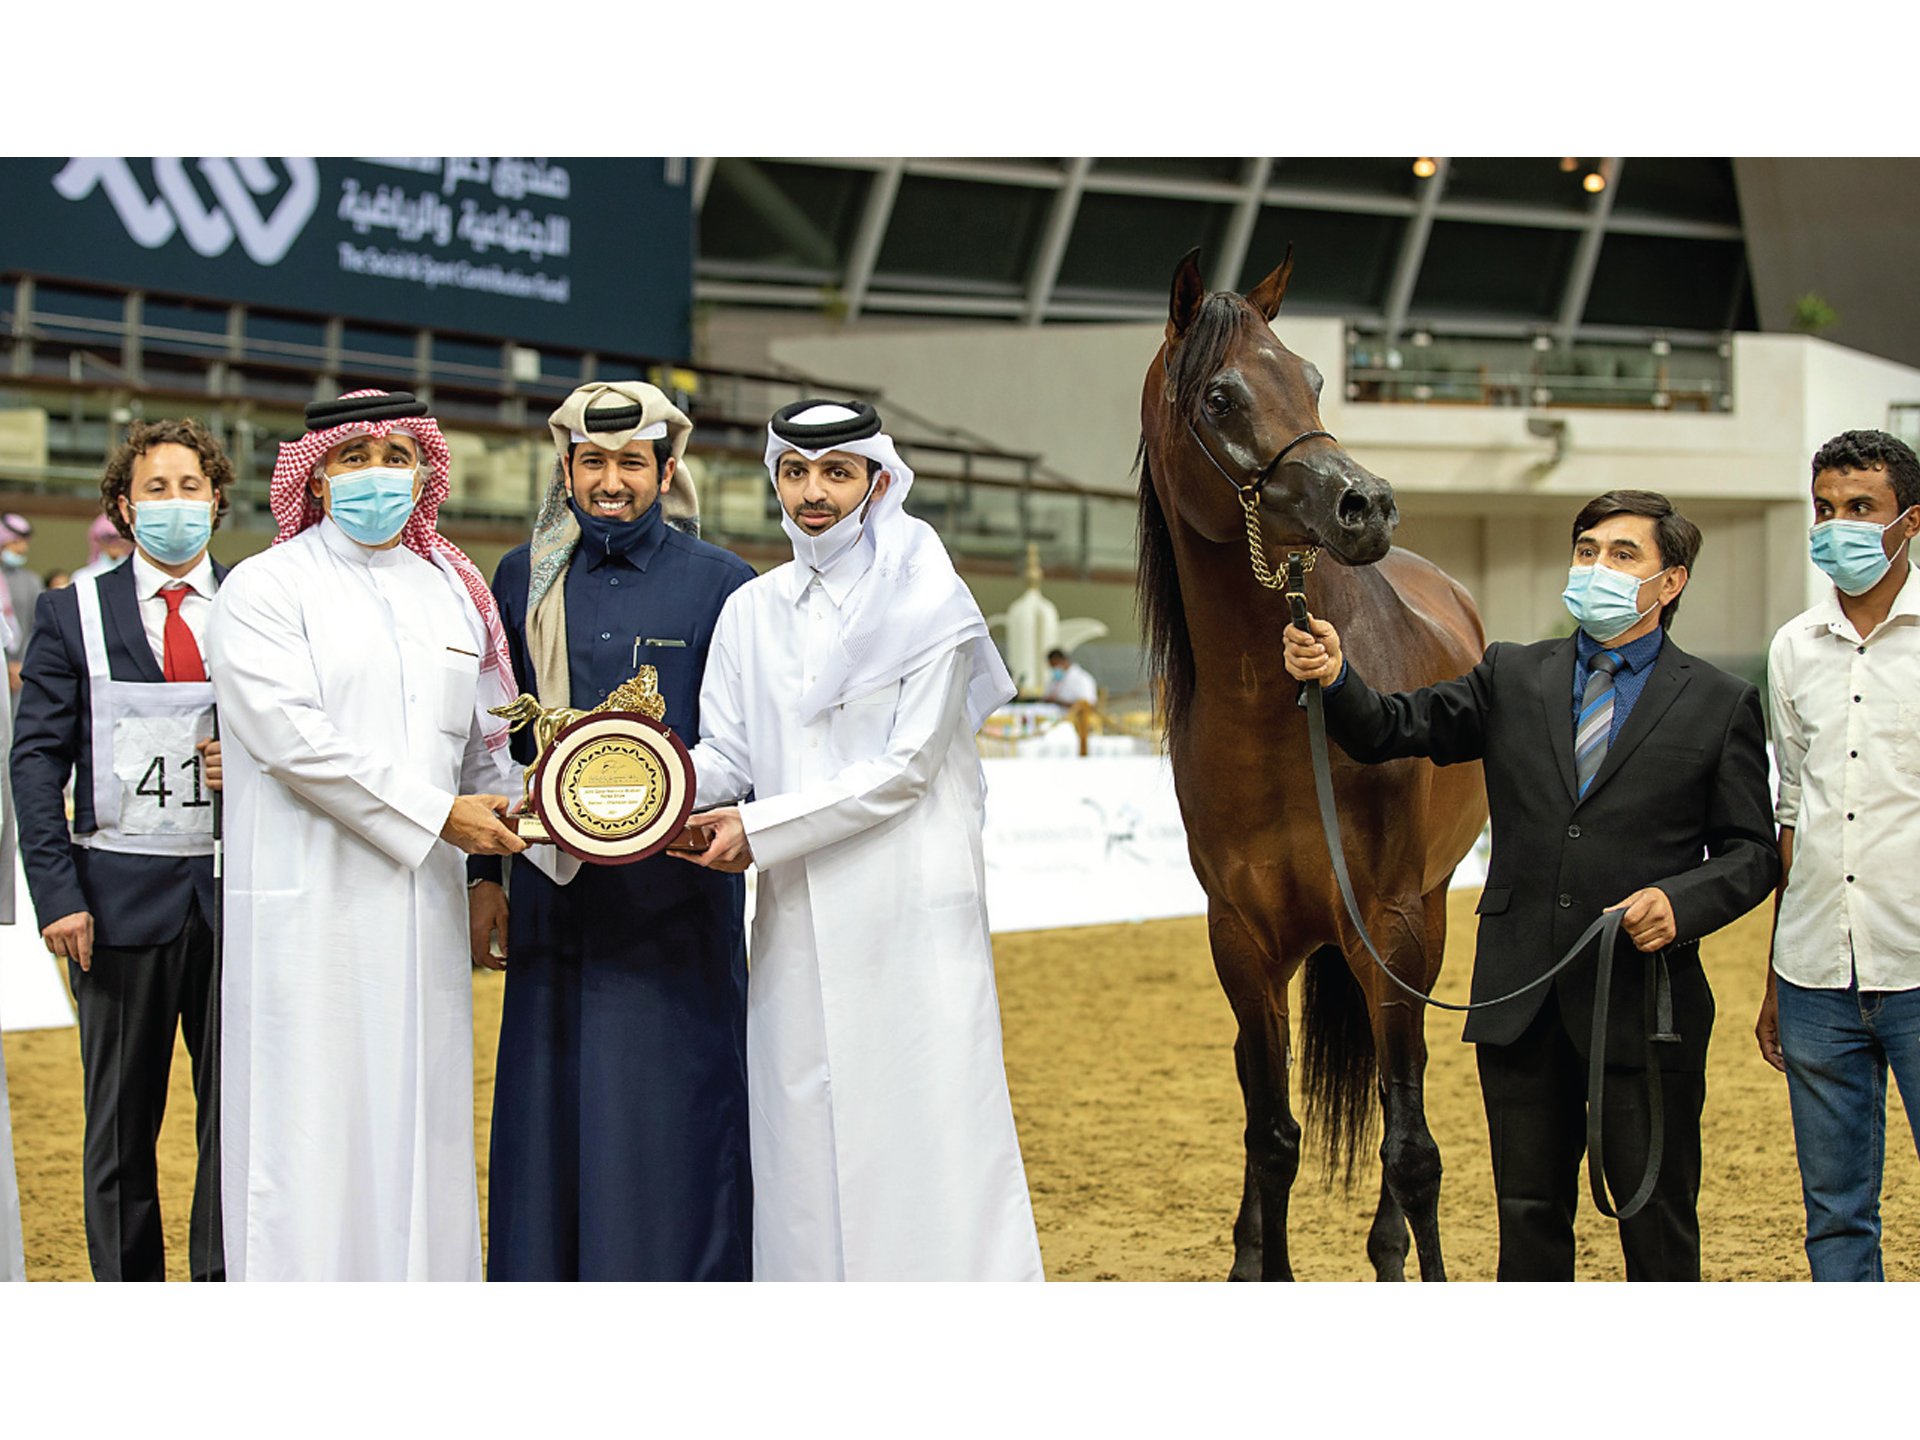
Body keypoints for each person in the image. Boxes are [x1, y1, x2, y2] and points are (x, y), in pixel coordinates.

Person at [1283, 489, 1777, 1281]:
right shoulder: (1511, 672)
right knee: (1528, 1224)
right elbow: (1390, 728)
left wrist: (1680, 903)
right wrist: (1339, 676)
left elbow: (1752, 853)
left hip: (1645, 1008)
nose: (1597, 568)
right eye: (1587, 551)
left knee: (1658, 1227)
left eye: (1623, 555)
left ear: (1671, 581)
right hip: (1520, 1002)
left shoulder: (1722, 703)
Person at [206, 389, 571, 1281]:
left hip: (424, 913)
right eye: (356, 459)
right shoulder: (264, 587)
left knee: (419, 1121)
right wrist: (439, 818)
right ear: (319, 478)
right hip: (308, 914)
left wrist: (493, 879)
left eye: (399, 457)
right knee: (307, 1130)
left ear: (423, 473)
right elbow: (295, 743)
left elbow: (487, 747)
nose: (380, 476)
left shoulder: (453, 590)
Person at [676, 398, 1044, 1282]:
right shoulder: (751, 610)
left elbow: (906, 767)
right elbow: (727, 752)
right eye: (795, 473)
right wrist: (635, 790)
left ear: (878, 482)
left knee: (926, 1121)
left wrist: (755, 829)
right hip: (798, 914)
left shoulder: (932, 603)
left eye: (836, 473)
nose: (814, 494)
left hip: (910, 903)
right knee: (802, 1122)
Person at [472, 381, 757, 1281]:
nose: (610, 481)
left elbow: (743, 746)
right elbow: (495, 742)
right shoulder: (519, 577)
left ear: (666, 473)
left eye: (632, 463)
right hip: (555, 900)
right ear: (565, 469)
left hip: (676, 903)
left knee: (676, 1109)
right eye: (591, 462)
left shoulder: (727, 586)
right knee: (549, 1107)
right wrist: (484, 880)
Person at [10, 418, 234, 1282]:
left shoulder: (261, 605)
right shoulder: (71, 611)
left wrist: (245, 761)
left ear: (217, 500)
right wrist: (57, 893)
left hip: (236, 904)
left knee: (236, 1120)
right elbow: (35, 761)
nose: (174, 503)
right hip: (111, 910)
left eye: (190, 486)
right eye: (155, 488)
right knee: (118, 1129)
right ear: (123, 505)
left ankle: (220, 1289)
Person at [1757, 429, 1920, 1281]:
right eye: (1825, 508)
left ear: (1911, 522)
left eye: (1862, 508)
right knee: (1836, 1218)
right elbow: (1794, 812)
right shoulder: (1792, 648)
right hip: (1816, 975)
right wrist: (1776, 975)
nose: (1838, 525)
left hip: (1919, 966)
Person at [3, 513, 43, 701]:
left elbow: (36, 626)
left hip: (22, 669)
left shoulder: (31, 581)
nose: (22, 548)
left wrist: (19, 663)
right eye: (16, 542)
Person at [70, 514, 133, 587]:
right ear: (97, 540)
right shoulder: (82, 577)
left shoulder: (138, 574)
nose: (114, 543)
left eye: (120, 537)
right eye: (108, 537)